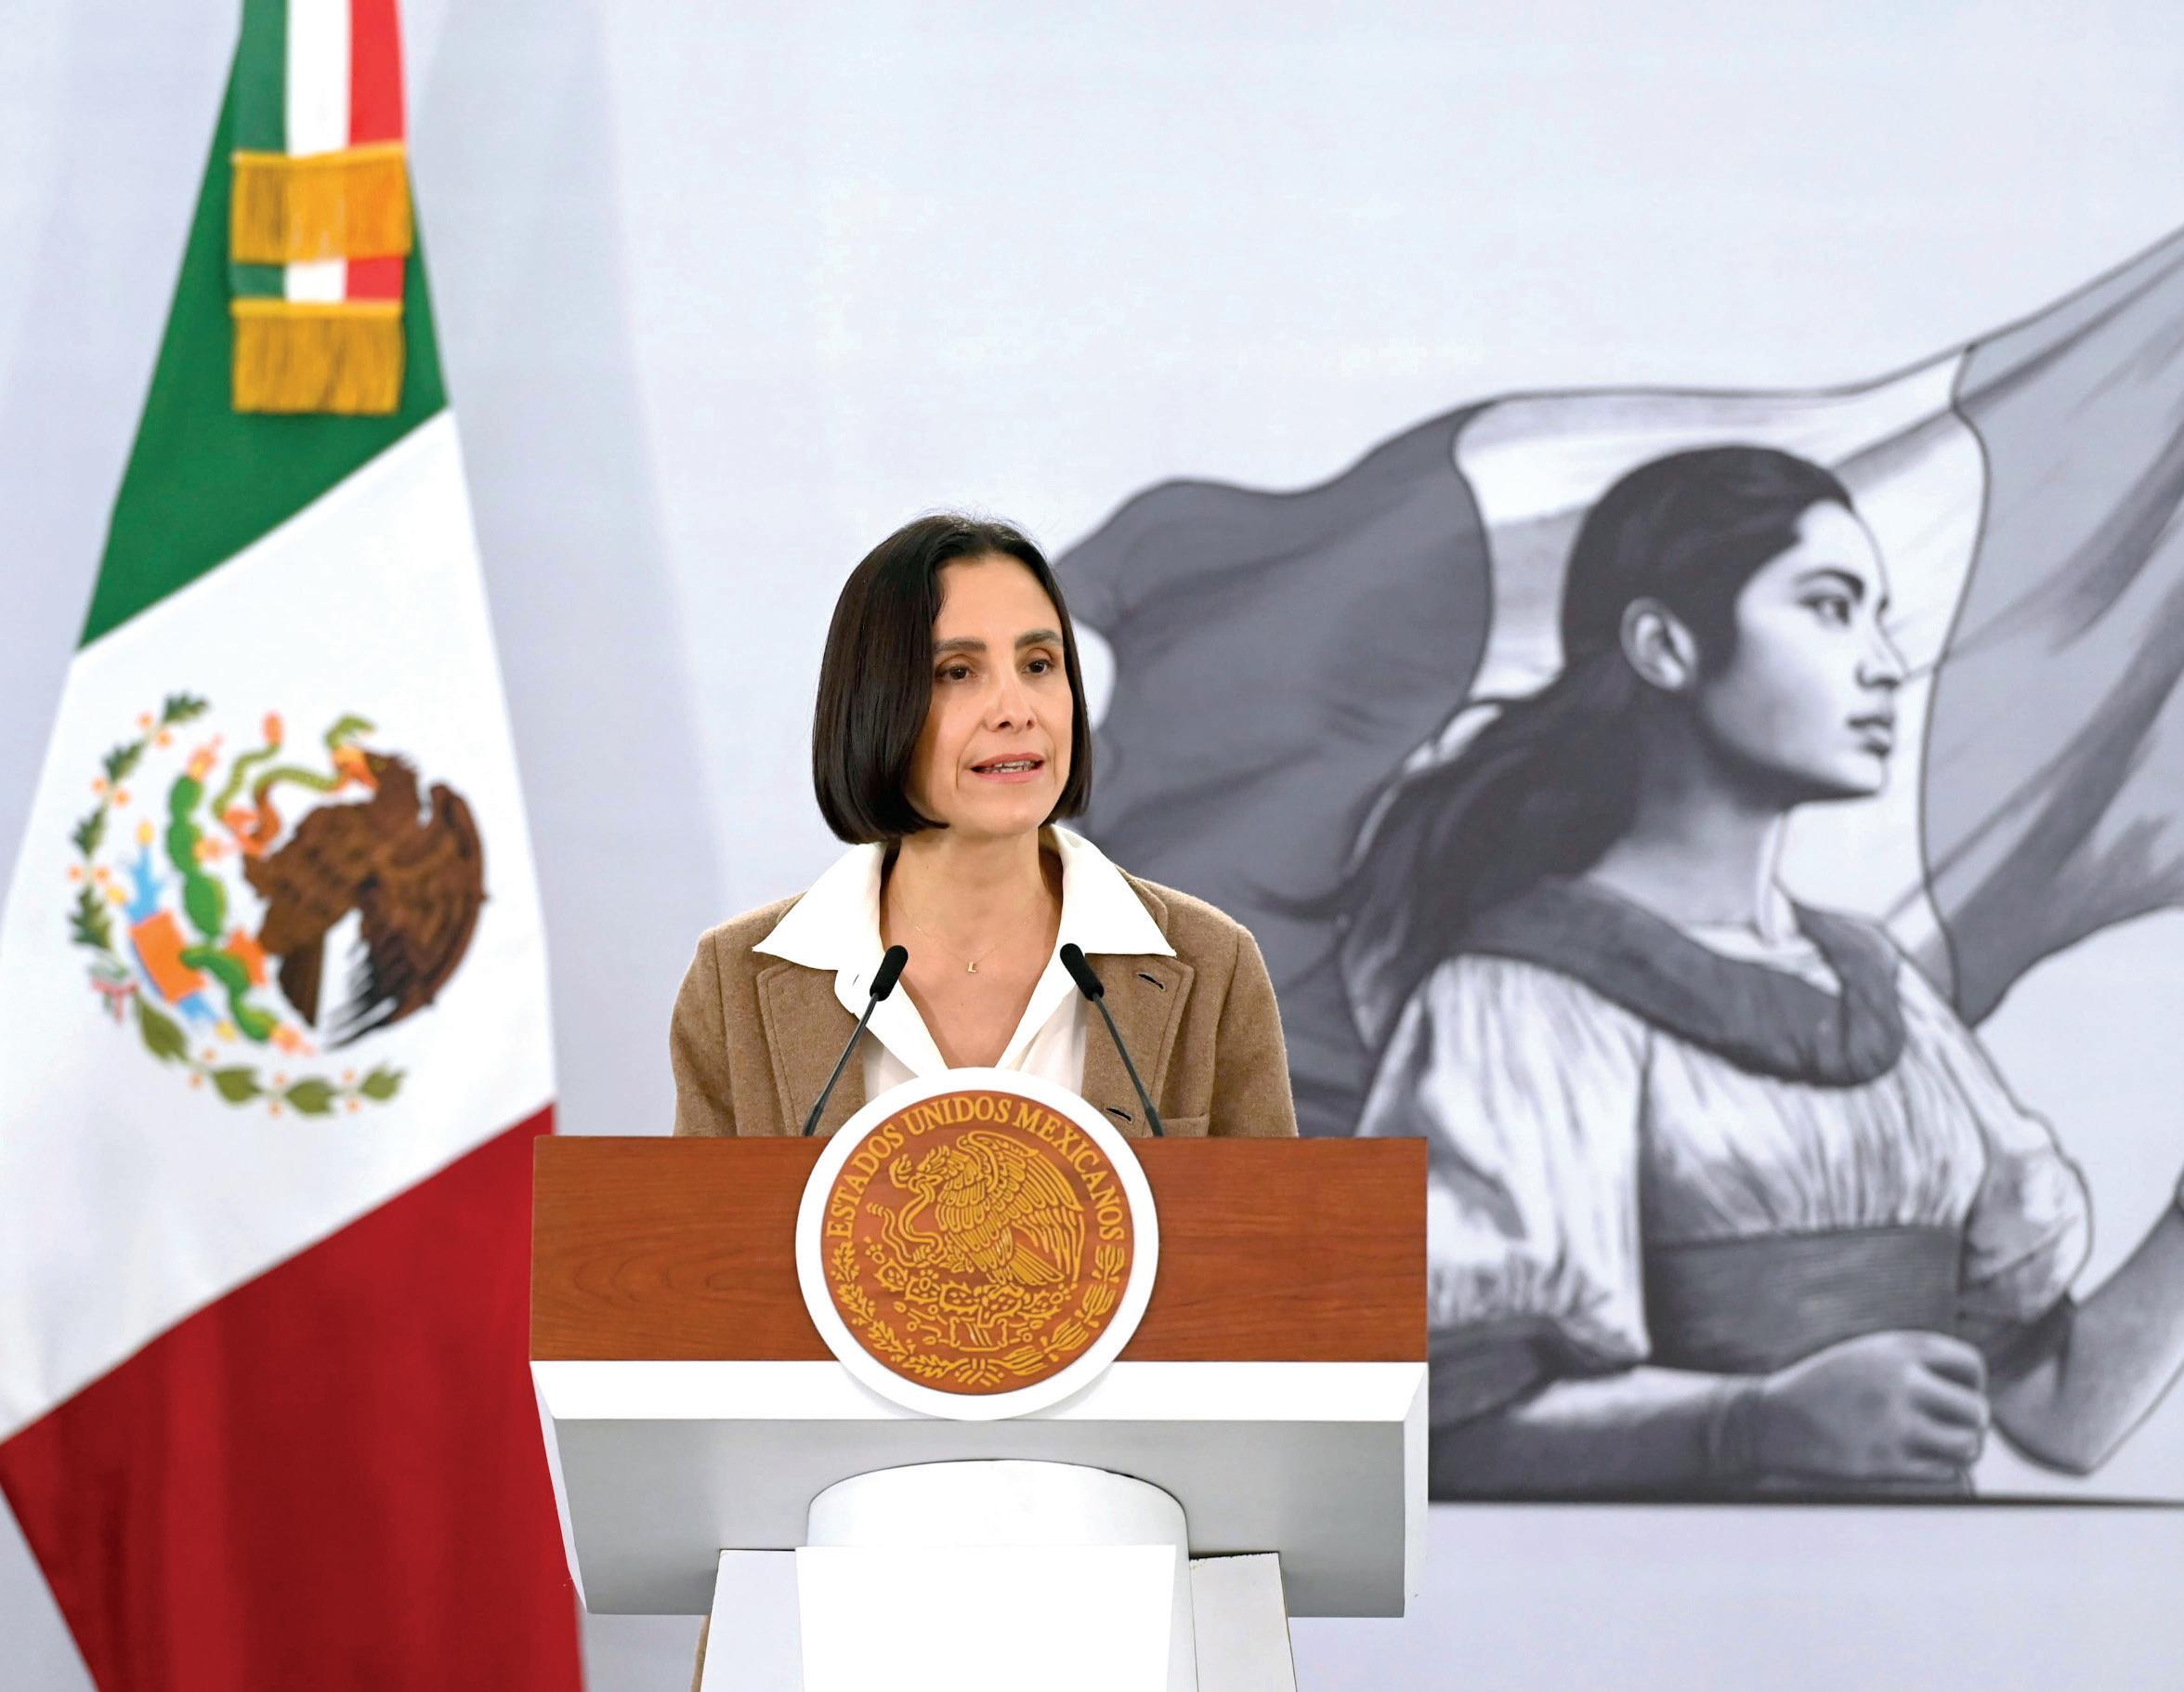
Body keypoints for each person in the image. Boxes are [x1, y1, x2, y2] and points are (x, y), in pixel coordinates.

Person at [1345, 445, 2184, 1498]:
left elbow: (2060, 1414)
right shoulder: (1516, 1001)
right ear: (1664, 646)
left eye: (1878, 616)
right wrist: (1749, 1424)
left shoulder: (1880, 990)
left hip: (1924, 1596)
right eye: (1829, 608)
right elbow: (1435, 1428)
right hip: (1655, 1597)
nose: (1882, 664)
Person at [670, 511, 1300, 1144]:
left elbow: (1275, 1210)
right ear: (875, 704)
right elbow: (700, 1211)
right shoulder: (734, 982)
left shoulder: (1211, 963)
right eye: (957, 672)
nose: (1015, 711)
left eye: (1038, 664)